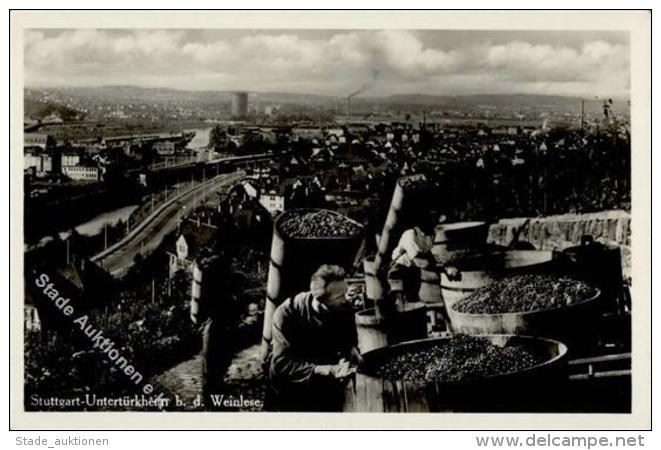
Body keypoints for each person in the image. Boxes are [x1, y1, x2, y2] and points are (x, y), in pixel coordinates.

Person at [267, 265, 362, 411]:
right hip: (292, 389)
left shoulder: (343, 307)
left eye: (345, 292)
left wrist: (351, 350)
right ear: (321, 301)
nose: (346, 299)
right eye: (339, 297)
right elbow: (282, 365)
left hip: (326, 385)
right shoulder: (287, 314)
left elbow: (347, 339)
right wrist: (328, 369)